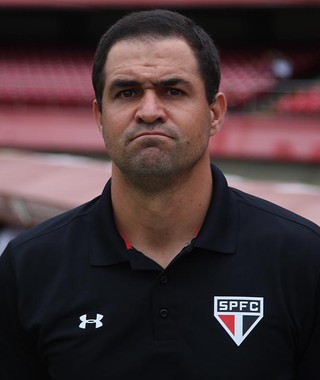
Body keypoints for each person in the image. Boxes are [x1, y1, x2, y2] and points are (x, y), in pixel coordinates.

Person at [0, 9, 319, 380]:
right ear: (99, 116)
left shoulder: (302, 258)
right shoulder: (29, 266)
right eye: (127, 92)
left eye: (173, 90)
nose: (149, 111)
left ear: (214, 112)